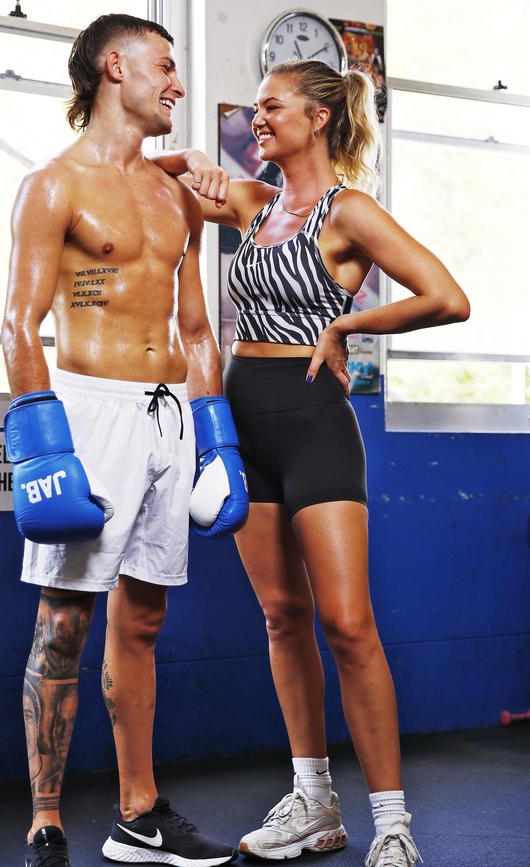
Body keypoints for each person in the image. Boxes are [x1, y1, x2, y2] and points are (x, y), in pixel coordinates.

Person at [150, 58, 470, 867]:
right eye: (255, 109)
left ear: (318, 117)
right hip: (241, 426)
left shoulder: (347, 211)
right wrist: (113, 158)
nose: (256, 119)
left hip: (315, 424)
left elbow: (446, 294)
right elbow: (185, 169)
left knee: (348, 625)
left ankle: (392, 824)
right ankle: (316, 801)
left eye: (271, 107)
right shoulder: (259, 206)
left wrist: (346, 328)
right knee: (281, 617)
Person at [1, 14, 247, 867]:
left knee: (142, 619)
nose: (178, 82)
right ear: (115, 66)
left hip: (169, 409)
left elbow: (199, 327)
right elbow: (17, 326)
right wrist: (42, 450)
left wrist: (217, 439)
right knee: (65, 619)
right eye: (166, 65)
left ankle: (138, 812)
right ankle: (45, 814)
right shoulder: (52, 185)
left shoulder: (181, 193)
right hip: (87, 409)